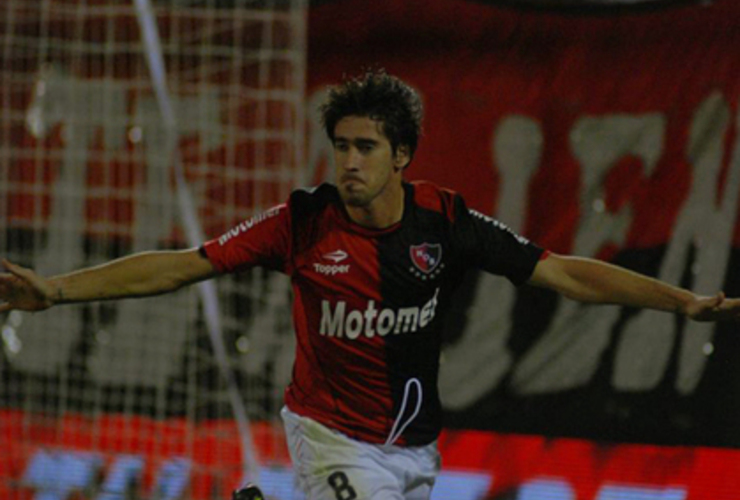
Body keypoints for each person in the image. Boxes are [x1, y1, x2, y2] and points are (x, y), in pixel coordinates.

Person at [1, 70, 739, 500]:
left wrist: (679, 301)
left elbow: (567, 274)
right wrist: (58, 291)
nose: (348, 162)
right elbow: (181, 264)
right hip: (328, 436)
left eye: (365, 147)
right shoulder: (301, 222)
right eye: (341, 146)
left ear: (402, 155)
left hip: (414, 449)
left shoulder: (445, 222)